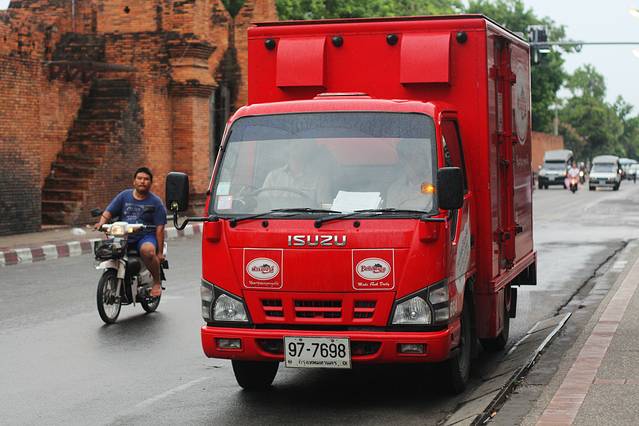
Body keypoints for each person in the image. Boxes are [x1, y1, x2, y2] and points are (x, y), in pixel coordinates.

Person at [94, 167, 167, 297]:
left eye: (146, 179)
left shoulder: (156, 202)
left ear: (150, 183)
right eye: (139, 178)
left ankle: (156, 282)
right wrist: (101, 223)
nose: (142, 181)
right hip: (123, 235)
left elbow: (160, 228)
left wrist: (160, 252)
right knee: (108, 251)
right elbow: (108, 212)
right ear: (134, 181)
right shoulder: (124, 196)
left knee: (148, 251)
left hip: (145, 236)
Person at [260, 141, 332, 207]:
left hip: (307, 217)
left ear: (308, 150)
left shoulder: (320, 179)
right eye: (294, 144)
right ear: (288, 148)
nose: (297, 146)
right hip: (274, 217)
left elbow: (325, 208)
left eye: (301, 143)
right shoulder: (273, 177)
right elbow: (263, 205)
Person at [385, 139, 435, 210]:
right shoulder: (394, 189)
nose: (413, 160)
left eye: (419, 155)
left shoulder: (436, 183)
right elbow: (392, 215)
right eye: (409, 156)